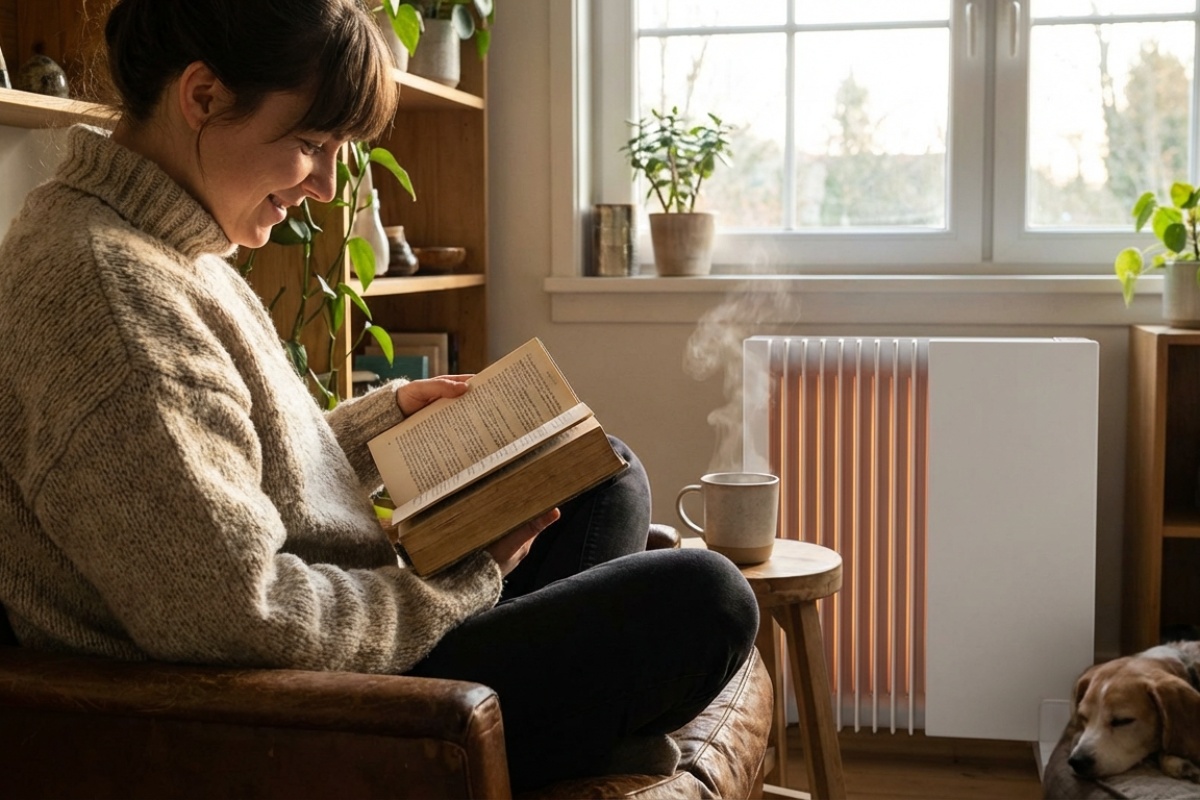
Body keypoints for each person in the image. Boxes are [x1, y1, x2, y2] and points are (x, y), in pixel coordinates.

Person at [0, 0, 759, 790]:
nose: (328, 187)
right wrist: (459, 588)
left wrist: (381, 423)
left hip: (345, 644)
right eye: (311, 144)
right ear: (203, 97)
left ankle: (572, 738)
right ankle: (555, 748)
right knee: (708, 601)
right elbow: (238, 615)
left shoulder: (168, 249)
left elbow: (217, 468)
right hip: (310, 713)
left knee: (604, 473)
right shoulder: (110, 293)